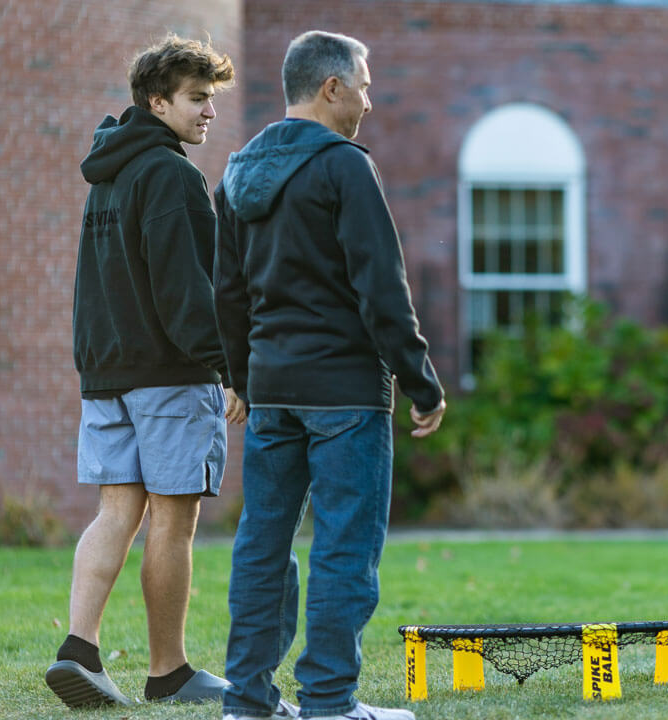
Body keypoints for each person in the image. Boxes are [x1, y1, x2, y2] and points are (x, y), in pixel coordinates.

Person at [214, 30, 446, 720]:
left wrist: (240, 378)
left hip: (274, 392)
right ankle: (330, 703)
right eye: (365, 86)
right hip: (346, 393)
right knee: (345, 546)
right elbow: (382, 286)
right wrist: (422, 379)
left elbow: (225, 290)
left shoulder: (236, 172)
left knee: (263, 543)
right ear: (331, 88)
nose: (370, 102)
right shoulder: (344, 166)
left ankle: (247, 701)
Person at [46, 35, 250, 709]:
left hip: (107, 376)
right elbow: (186, 292)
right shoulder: (170, 175)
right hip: (168, 374)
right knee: (173, 519)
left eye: (212, 99)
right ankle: (169, 673)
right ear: (157, 101)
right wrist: (230, 365)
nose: (209, 112)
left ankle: (79, 647)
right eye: (197, 99)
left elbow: (95, 286)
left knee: (116, 511)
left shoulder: (109, 173)